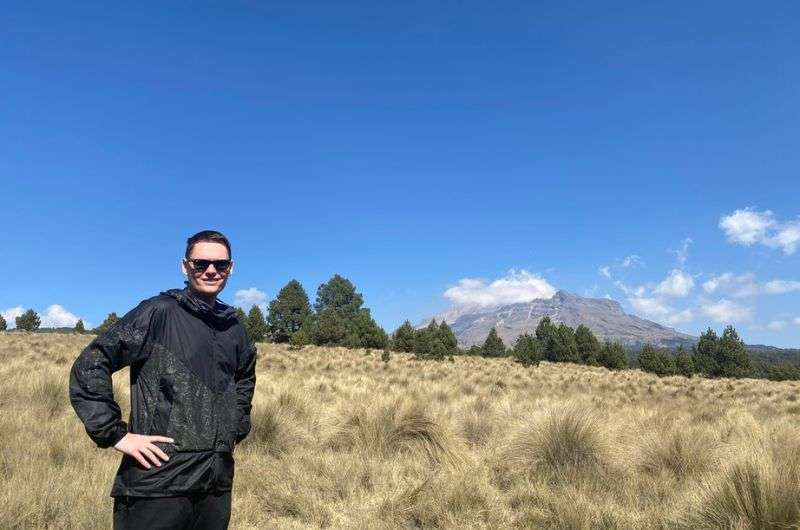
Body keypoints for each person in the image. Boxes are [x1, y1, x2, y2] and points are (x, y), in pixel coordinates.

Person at [69, 230, 257, 529]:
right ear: (185, 266)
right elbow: (93, 363)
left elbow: (245, 377)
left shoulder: (234, 327)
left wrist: (236, 427)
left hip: (215, 483)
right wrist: (116, 435)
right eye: (201, 263)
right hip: (158, 483)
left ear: (230, 268)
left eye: (220, 265)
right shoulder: (158, 312)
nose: (211, 270)